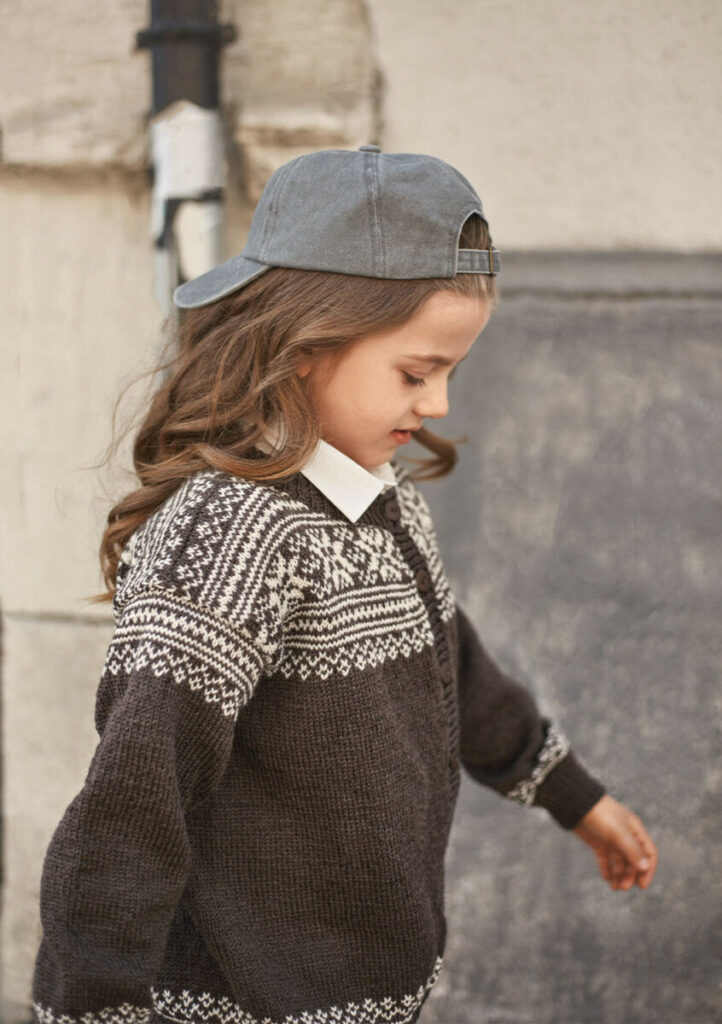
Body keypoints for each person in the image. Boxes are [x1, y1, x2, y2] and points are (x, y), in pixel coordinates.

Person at [32, 145, 657, 1024]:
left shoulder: (379, 501)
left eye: (451, 372)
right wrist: (93, 1005)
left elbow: (453, 667)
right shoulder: (232, 534)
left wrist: (571, 795)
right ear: (303, 346)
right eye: (415, 373)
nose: (438, 405)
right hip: (229, 1004)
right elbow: (136, 800)